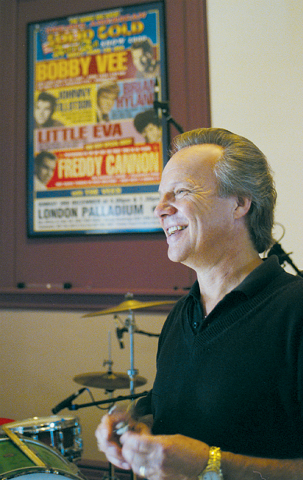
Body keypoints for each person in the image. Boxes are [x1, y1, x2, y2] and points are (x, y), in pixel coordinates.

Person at [95, 128, 303, 480]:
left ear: (239, 203)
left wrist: (212, 466)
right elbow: (176, 407)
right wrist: (137, 422)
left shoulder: (294, 310)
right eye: (161, 196)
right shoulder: (181, 315)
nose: (160, 209)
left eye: (181, 192)